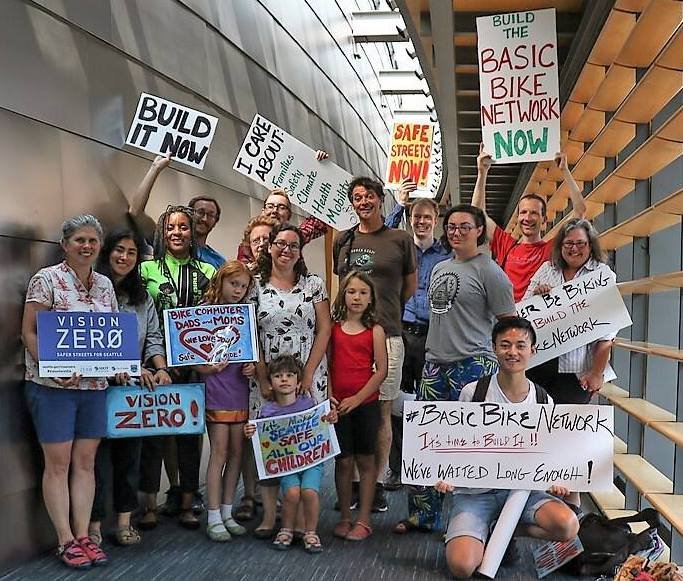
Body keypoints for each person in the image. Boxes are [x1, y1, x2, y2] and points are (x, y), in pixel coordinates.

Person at [397, 204, 516, 534]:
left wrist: (505, 369)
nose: (456, 232)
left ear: (479, 230)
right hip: (434, 364)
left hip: (473, 364)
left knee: (475, 444)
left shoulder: (490, 271)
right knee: (426, 441)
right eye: (451, 226)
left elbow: (509, 324)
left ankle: (480, 521)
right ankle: (423, 515)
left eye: (465, 226)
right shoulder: (439, 267)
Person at [437, 317, 580, 579]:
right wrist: (446, 475)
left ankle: (505, 528)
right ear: (493, 348)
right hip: (475, 493)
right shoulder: (474, 392)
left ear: (532, 351)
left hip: (523, 492)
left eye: (520, 345)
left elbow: (548, 452)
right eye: (505, 345)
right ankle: (474, 529)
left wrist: (556, 479)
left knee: (568, 525)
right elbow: (455, 444)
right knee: (462, 566)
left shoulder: (542, 400)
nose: (512, 352)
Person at [21, 215, 116, 569]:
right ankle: (64, 540)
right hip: (52, 389)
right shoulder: (46, 280)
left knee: (86, 463)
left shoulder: (105, 285)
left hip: (94, 388)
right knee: (58, 465)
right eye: (79, 240)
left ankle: (83, 536)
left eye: (92, 240)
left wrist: (118, 364)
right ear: (65, 244)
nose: (87, 246)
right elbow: (29, 332)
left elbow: (111, 337)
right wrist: (51, 366)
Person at [333, 176, 417, 512]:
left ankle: (377, 481)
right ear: (352, 203)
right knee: (349, 406)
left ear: (381, 200)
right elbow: (341, 283)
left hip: (388, 333)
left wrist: (386, 310)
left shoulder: (400, 239)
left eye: (369, 196)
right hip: (351, 337)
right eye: (357, 197)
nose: (363, 201)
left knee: (381, 409)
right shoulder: (344, 239)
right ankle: (353, 482)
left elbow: (409, 286)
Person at [245, 223, 332, 538]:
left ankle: (303, 520)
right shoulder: (254, 285)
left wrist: (308, 373)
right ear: (269, 247)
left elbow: (324, 329)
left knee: (305, 445)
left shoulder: (314, 284)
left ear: (300, 251)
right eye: (280, 243)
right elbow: (248, 333)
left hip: (309, 378)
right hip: (266, 378)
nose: (286, 249)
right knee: (271, 446)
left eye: (293, 245)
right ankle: (271, 517)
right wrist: (262, 374)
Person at [89, 228, 172, 547]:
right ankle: (94, 525)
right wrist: (118, 367)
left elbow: (153, 337)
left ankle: (124, 521)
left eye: (131, 252)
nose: (124, 257)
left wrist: (160, 369)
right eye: (118, 250)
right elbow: (90, 340)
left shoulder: (142, 297)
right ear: (107, 252)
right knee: (94, 463)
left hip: (131, 390)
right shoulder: (91, 292)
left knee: (129, 459)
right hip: (95, 387)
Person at [138, 205, 216, 530]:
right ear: (162, 231)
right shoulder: (146, 270)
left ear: (192, 231)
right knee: (154, 431)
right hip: (153, 358)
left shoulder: (209, 272)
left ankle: (187, 501)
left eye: (183, 227)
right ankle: (149, 505)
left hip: (194, 361)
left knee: (189, 431)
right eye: (171, 227)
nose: (177, 232)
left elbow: (214, 320)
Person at [384, 184, 450, 491]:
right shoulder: (398, 246)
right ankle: (398, 468)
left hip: (434, 337)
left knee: (429, 403)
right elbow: (376, 240)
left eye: (426, 217)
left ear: (435, 219)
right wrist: (399, 204)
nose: (421, 221)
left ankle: (425, 469)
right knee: (397, 404)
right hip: (401, 334)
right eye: (415, 216)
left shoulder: (447, 254)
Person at [244, 355, 337, 552]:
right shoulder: (267, 411)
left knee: (310, 492)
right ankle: (286, 528)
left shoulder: (309, 404)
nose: (284, 379)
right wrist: (250, 432)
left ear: (299, 381)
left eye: (289, 375)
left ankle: (310, 531)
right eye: (278, 376)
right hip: (287, 463)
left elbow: (323, 423)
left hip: (311, 461)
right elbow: (260, 436)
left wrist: (330, 417)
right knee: (292, 492)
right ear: (270, 383)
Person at [472, 145, 587, 300]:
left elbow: (579, 212)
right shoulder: (506, 245)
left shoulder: (551, 248)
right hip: (509, 320)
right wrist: (482, 173)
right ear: (518, 217)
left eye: (534, 213)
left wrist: (565, 170)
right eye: (523, 212)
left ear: (544, 220)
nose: (527, 218)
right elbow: (477, 215)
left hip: (540, 320)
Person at [524, 219, 616, 404]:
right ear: (560, 245)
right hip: (538, 364)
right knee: (534, 425)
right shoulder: (546, 270)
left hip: (577, 372)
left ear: (590, 245)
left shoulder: (601, 275)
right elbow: (523, 313)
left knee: (565, 429)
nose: (574, 248)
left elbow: (607, 334)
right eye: (568, 243)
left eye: (580, 243)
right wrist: (536, 295)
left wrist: (597, 373)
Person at [198, 260, 255, 542]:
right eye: (234, 284)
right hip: (216, 391)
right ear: (220, 281)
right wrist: (209, 368)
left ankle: (227, 510)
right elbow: (191, 359)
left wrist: (252, 368)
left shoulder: (247, 315)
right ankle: (212, 515)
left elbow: (253, 353)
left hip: (241, 390)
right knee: (218, 453)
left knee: (236, 453)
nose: (238, 290)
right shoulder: (203, 313)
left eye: (243, 286)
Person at [329, 270, 388, 541]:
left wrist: (358, 398)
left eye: (363, 292)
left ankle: (363, 519)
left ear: (371, 298)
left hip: (365, 405)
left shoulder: (375, 331)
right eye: (352, 291)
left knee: (366, 461)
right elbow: (327, 366)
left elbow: (381, 371)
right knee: (342, 462)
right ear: (343, 295)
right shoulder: (333, 329)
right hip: (338, 406)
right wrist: (329, 394)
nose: (357, 297)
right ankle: (344, 516)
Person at [129, 154, 226, 268]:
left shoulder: (218, 261)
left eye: (210, 215)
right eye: (200, 212)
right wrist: (155, 168)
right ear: (189, 214)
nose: (204, 218)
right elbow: (136, 213)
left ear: (215, 221)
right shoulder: (169, 240)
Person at [236, 151, 330, 264]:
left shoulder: (295, 237)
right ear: (263, 211)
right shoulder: (249, 243)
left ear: (289, 215)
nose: (274, 211)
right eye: (270, 206)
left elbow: (323, 216)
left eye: (281, 207)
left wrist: (322, 169)